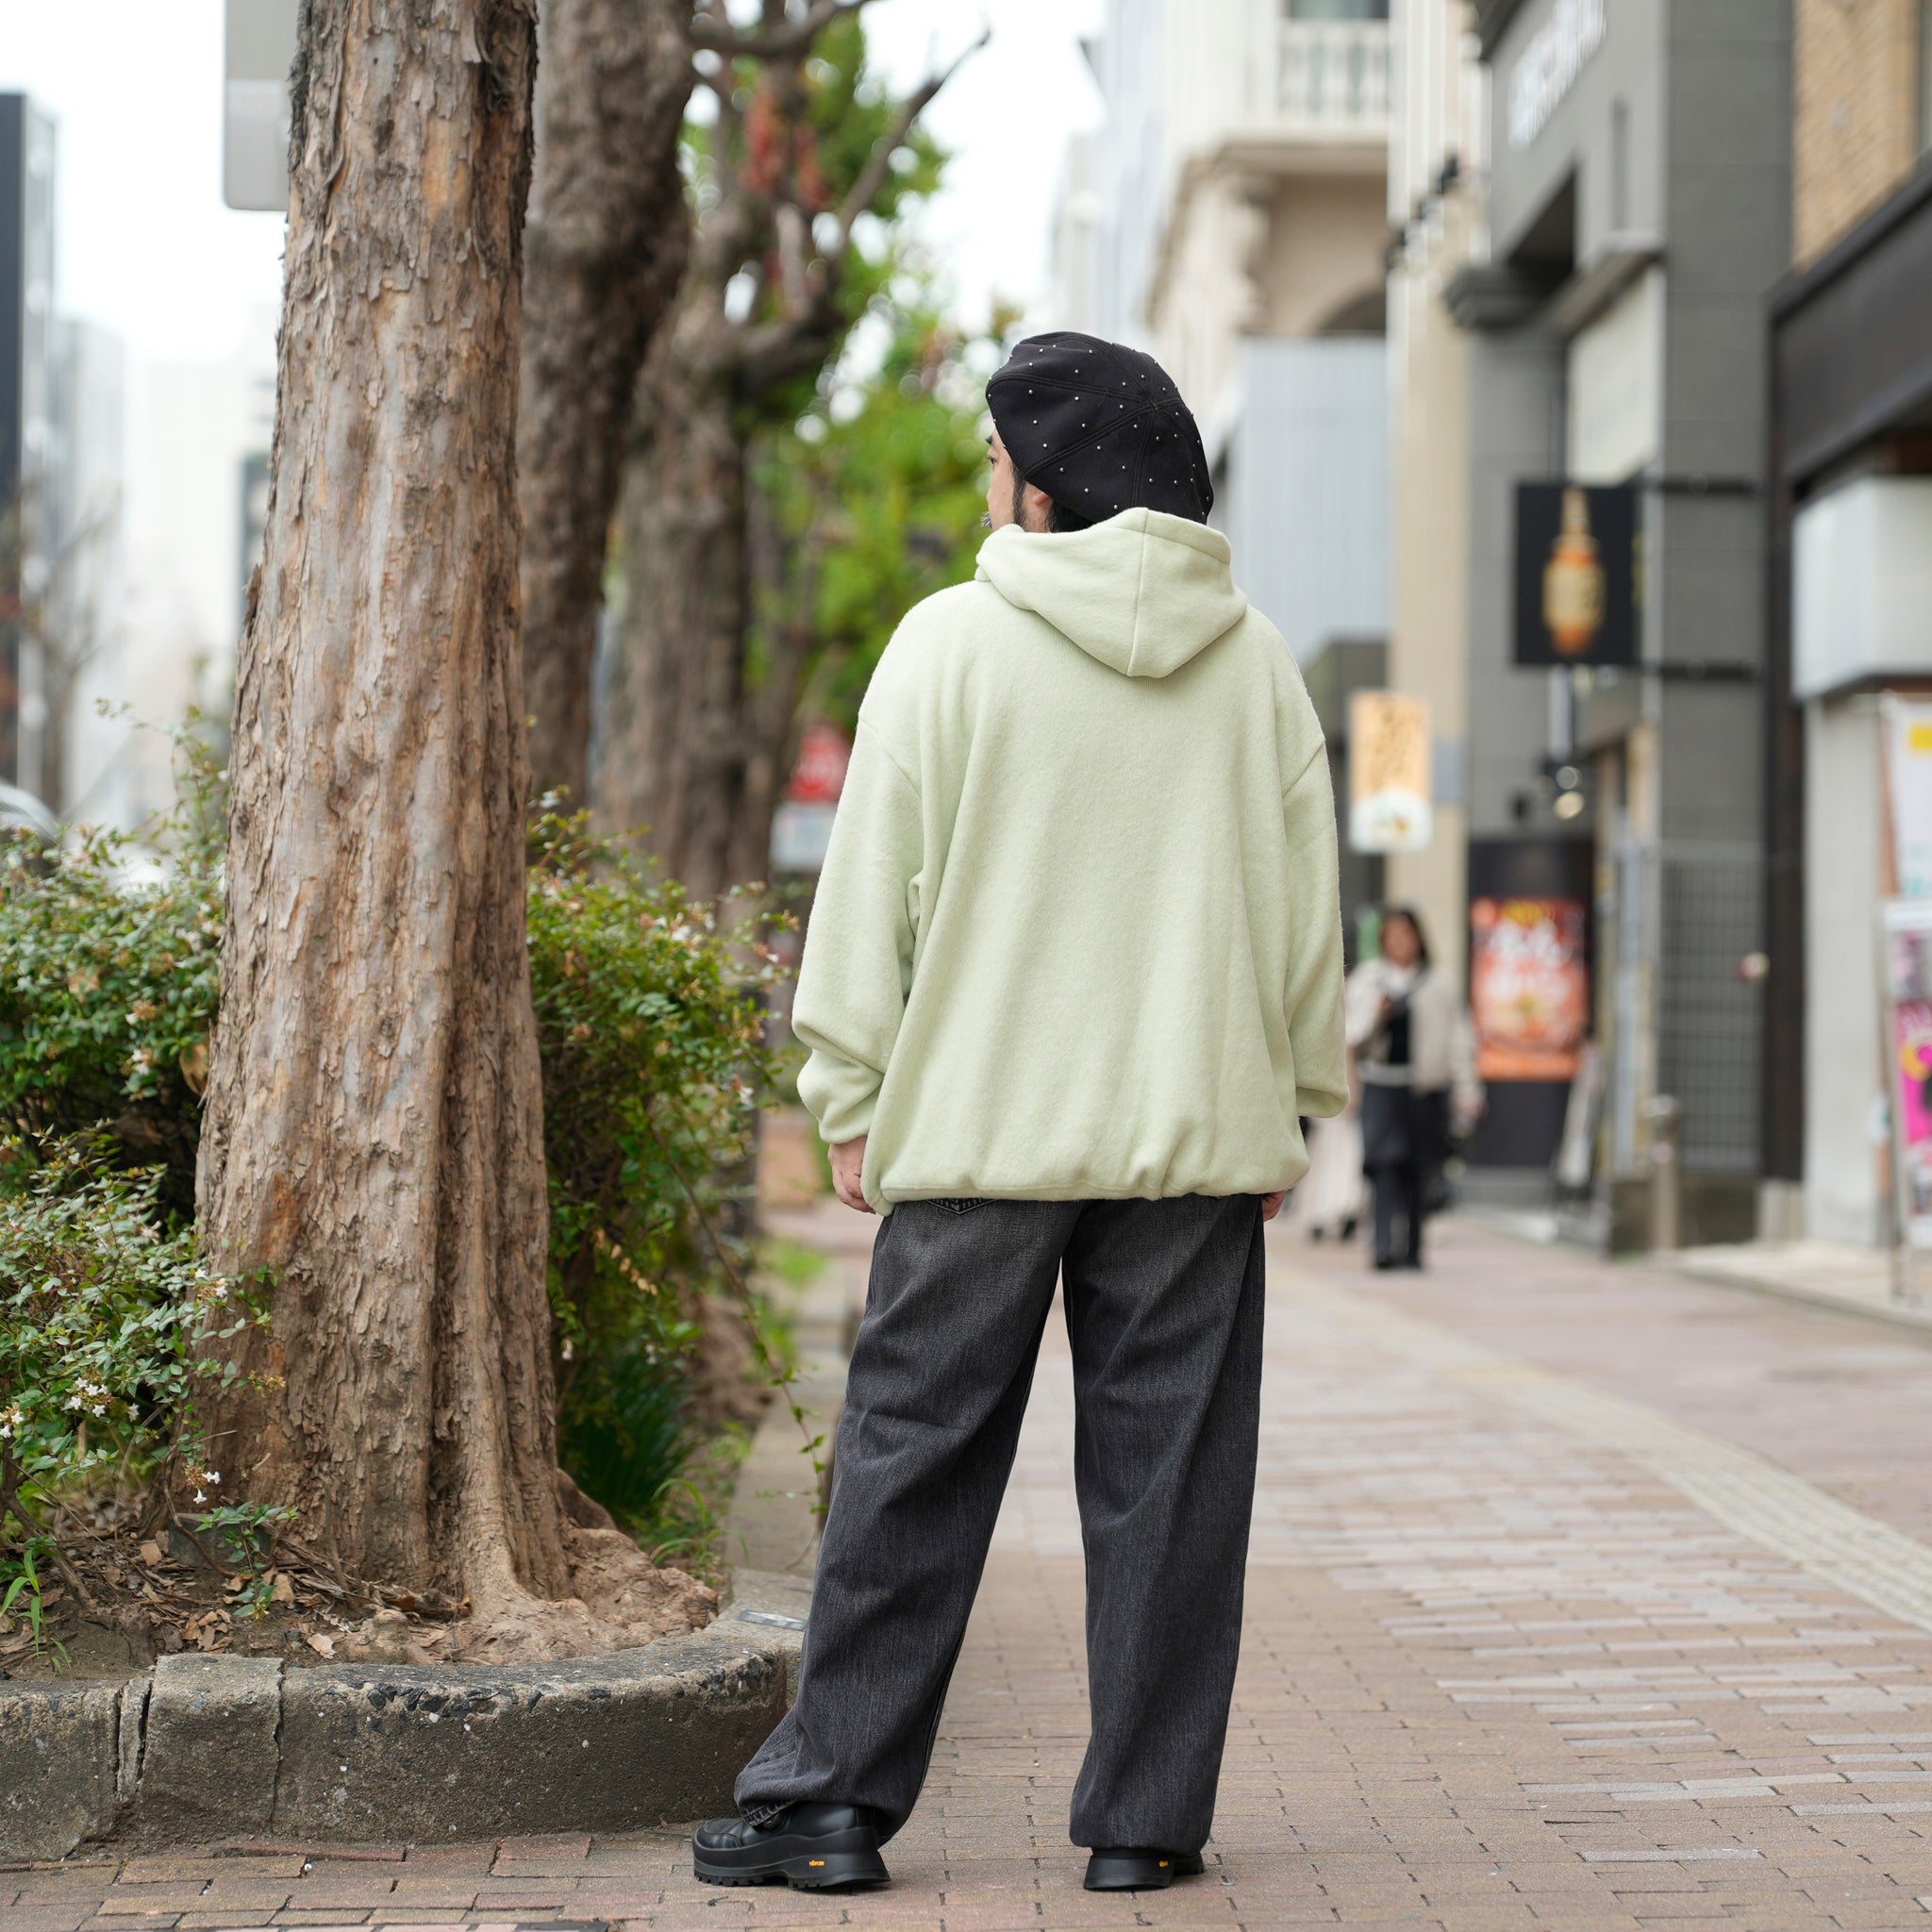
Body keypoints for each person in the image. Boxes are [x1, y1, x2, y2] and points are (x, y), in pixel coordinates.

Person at [690, 332, 1348, 1895]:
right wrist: (1295, 1101)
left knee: (907, 1458)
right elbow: (1300, 915)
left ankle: (830, 1804)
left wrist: (847, 1088)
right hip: (1192, 1133)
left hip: (981, 1130)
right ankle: (1145, 1822)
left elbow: (871, 894)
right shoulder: (1254, 661)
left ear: (1044, 488)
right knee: (1173, 1479)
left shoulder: (948, 643)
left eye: (997, 462)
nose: (989, 488)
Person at [1343, 907, 1479, 1270]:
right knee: (1382, 1166)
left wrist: (1468, 1090)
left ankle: (1413, 1249)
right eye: (1393, 935)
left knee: (1418, 1169)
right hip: (1380, 1085)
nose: (1400, 942)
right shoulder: (1368, 980)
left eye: (1406, 934)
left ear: (1419, 938)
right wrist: (1378, 1013)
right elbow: (1350, 1035)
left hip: (1423, 1088)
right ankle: (1383, 1246)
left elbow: (1458, 1039)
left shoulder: (1439, 983)